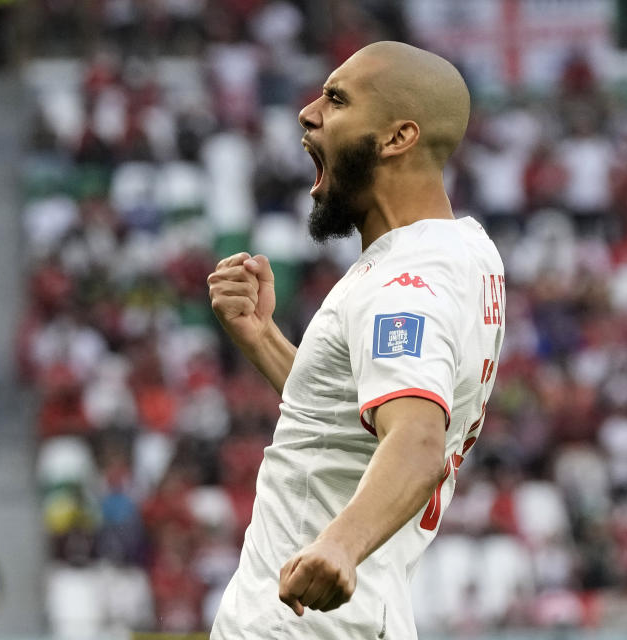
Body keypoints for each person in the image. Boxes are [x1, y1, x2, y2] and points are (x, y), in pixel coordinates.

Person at [207, 41, 506, 639]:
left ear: (398, 138)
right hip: (365, 617)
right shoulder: (467, 252)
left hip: (301, 626)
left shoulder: (404, 282)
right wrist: (264, 340)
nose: (308, 112)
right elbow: (354, 424)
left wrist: (339, 547)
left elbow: (418, 440)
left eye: (336, 99)